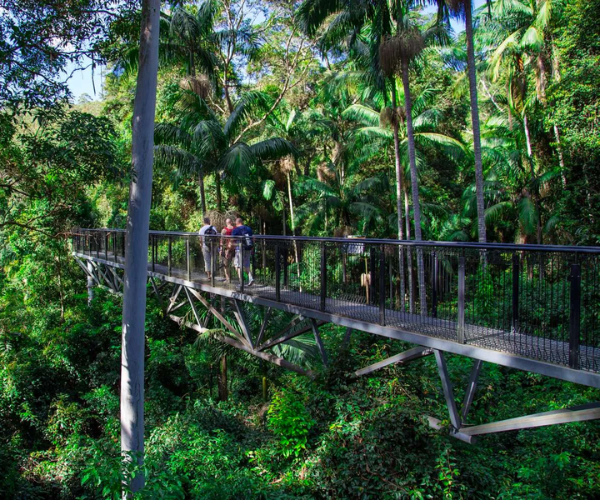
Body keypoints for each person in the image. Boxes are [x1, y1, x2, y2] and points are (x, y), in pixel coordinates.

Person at [231, 217, 254, 286]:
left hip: (240, 249)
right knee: (246, 264)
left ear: (237, 223)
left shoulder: (236, 230)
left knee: (237, 264)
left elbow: (232, 241)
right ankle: (250, 278)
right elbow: (253, 239)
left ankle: (241, 282)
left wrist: (232, 246)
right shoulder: (248, 229)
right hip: (248, 248)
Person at [220, 218, 235, 283]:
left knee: (226, 265)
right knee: (234, 264)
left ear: (226, 223)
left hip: (227, 249)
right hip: (235, 248)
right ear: (231, 222)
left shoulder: (224, 230)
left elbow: (221, 240)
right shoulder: (235, 229)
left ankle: (228, 279)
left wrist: (220, 249)